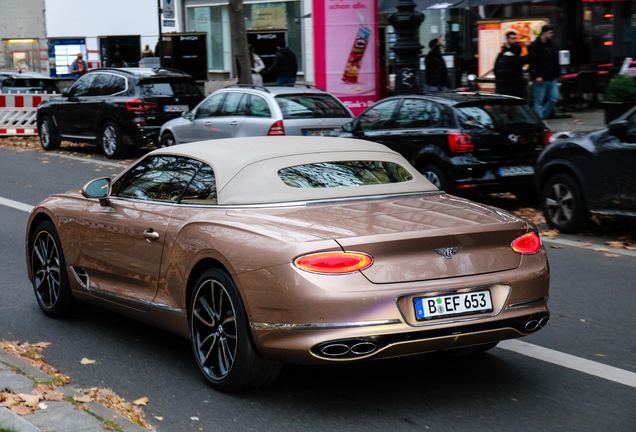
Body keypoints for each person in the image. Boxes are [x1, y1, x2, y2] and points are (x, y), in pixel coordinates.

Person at [528, 25, 560, 119]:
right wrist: (536, 75)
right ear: (544, 33)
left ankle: (540, 116)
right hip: (542, 77)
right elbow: (533, 61)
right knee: (540, 100)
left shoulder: (550, 45)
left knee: (554, 98)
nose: (552, 35)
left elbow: (555, 60)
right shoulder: (536, 46)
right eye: (550, 32)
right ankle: (540, 117)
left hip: (550, 76)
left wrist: (556, 74)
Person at [494, 31, 526, 99]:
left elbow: (496, 70)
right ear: (508, 39)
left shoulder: (502, 55)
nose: (514, 40)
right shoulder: (505, 55)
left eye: (515, 38)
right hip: (512, 88)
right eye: (512, 38)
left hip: (503, 88)